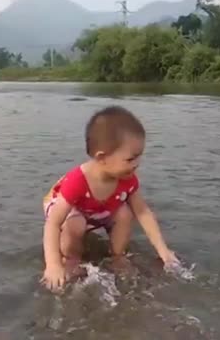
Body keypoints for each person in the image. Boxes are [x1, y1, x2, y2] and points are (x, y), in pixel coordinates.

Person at [41, 105, 181, 292]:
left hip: (101, 208)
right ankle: (72, 259)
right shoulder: (77, 181)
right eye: (131, 159)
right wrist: (53, 264)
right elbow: (52, 223)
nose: (137, 164)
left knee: (124, 213)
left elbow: (143, 212)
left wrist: (163, 250)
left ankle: (117, 255)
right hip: (68, 208)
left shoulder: (127, 179)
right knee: (75, 224)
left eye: (139, 157)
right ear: (102, 158)